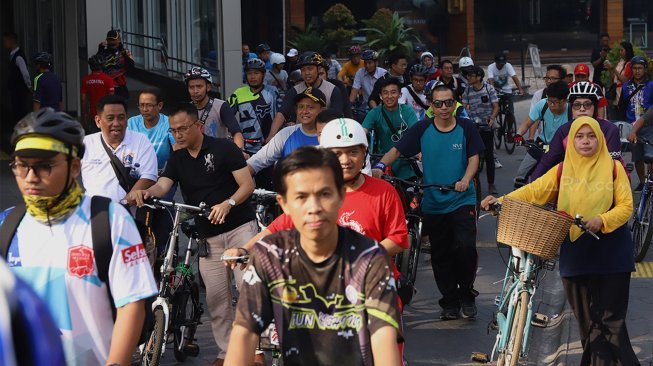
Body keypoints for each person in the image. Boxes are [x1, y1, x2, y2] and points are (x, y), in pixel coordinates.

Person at [1, 108, 157, 365]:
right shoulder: (7, 224)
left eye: (44, 166)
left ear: (75, 168)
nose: (30, 177)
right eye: (21, 166)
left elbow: (132, 305)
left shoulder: (110, 220)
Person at [481, 117, 639, 366]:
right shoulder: (563, 170)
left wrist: (602, 219)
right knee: (588, 325)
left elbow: (626, 207)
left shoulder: (613, 167)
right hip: (575, 254)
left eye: (591, 136)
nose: (585, 141)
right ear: (571, 140)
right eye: (580, 136)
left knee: (611, 323)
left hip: (612, 254)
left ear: (600, 139)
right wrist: (501, 201)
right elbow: (533, 191)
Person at [224, 146, 403, 366]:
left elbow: (383, 340)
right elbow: (244, 333)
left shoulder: (371, 259)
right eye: (301, 196)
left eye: (324, 194)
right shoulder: (270, 256)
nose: (314, 207)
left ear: (340, 197)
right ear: (284, 204)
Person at [130, 103, 257, 366]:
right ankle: (225, 352)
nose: (178, 135)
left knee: (248, 292)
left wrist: (228, 203)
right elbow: (164, 184)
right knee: (217, 299)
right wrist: (147, 192)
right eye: (173, 131)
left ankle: (254, 354)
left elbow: (247, 184)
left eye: (183, 129)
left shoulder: (224, 148)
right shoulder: (177, 159)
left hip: (239, 230)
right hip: (207, 237)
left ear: (198, 126)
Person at [373, 84, 484, 320]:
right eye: (438, 103)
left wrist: (465, 179)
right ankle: (449, 302)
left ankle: (466, 294)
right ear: (430, 105)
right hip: (434, 202)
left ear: (455, 103)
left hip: (462, 199)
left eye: (448, 102)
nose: (443, 108)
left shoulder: (466, 127)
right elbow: (396, 150)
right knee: (440, 254)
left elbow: (474, 158)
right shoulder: (422, 128)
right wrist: (380, 167)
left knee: (465, 248)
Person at [531, 81, 624, 181]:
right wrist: (531, 185)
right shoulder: (564, 130)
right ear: (571, 108)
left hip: (602, 183)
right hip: (571, 182)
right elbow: (547, 161)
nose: (582, 109)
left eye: (587, 104)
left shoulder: (610, 130)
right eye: (577, 105)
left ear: (595, 107)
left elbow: (613, 167)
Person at [81, 95, 158, 203]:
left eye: (121, 118)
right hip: (94, 215)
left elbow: (149, 177)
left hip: (129, 215)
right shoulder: (85, 143)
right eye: (110, 118)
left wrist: (122, 206)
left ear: (126, 119)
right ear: (98, 121)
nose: (116, 123)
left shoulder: (141, 141)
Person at [247, 87, 325, 177]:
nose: (304, 111)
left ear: (322, 110)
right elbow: (257, 162)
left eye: (310, 107)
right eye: (301, 107)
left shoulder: (330, 135)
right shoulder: (286, 133)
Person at [267, 51, 344, 141]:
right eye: (303, 70)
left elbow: (337, 117)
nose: (306, 73)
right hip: (300, 137)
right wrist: (271, 136)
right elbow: (282, 112)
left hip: (325, 137)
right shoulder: (294, 90)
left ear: (319, 69)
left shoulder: (333, 90)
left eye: (310, 68)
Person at [514, 80, 571, 182]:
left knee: (560, 180)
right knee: (520, 176)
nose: (551, 105)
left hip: (562, 149)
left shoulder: (572, 112)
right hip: (541, 144)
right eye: (550, 101)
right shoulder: (543, 104)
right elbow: (527, 123)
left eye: (555, 102)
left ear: (564, 100)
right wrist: (518, 134)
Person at [363, 78, 419, 180]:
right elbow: (363, 132)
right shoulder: (375, 112)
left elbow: (415, 133)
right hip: (382, 160)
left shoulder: (408, 111)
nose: (389, 96)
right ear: (380, 96)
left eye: (393, 92)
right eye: (385, 93)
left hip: (405, 161)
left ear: (400, 94)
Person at [183, 66, 244, 148]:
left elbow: (236, 132)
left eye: (199, 86)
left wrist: (239, 151)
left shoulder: (221, 106)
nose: (195, 91)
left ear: (208, 87)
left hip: (219, 156)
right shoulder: (185, 109)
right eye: (191, 87)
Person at [229, 58, 280, 153]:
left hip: (268, 146)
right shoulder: (238, 93)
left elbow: (280, 115)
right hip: (245, 148)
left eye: (256, 73)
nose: (252, 77)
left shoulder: (272, 91)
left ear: (263, 75)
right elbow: (226, 114)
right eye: (249, 73)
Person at [462, 66, 500, 194]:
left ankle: (491, 184)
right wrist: (466, 114)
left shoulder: (489, 89)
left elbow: (496, 106)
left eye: (471, 75)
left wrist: (492, 119)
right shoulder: (467, 90)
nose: (468, 77)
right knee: (472, 156)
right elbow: (464, 107)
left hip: (486, 126)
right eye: (467, 75)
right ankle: (474, 182)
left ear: (478, 77)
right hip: (473, 127)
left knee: (489, 156)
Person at [620, 55, 653, 190]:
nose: (637, 71)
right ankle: (642, 181)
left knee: (650, 155)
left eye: (640, 68)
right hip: (631, 125)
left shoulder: (651, 85)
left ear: (645, 69)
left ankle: (650, 180)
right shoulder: (626, 86)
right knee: (637, 156)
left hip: (649, 125)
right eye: (634, 68)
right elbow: (621, 106)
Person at [2, 31, 32, 128]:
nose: (4, 44)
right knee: (17, 111)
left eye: (5, 41)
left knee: (20, 111)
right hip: (16, 90)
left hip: (19, 90)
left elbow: (25, 74)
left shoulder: (18, 56)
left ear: (11, 41)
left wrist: (29, 86)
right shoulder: (13, 55)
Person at [80, 54, 115, 132]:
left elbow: (83, 99)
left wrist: (84, 115)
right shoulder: (109, 80)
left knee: (93, 137)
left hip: (92, 114)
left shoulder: (86, 80)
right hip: (105, 113)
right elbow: (111, 99)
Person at [96, 29, 134, 99]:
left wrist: (125, 55)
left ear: (119, 40)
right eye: (109, 40)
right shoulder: (103, 52)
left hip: (120, 85)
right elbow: (96, 66)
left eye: (114, 40)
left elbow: (131, 66)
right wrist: (99, 51)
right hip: (106, 85)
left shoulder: (125, 52)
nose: (111, 42)